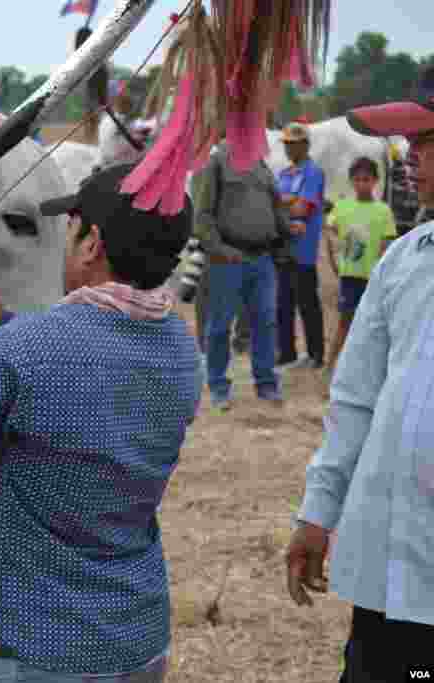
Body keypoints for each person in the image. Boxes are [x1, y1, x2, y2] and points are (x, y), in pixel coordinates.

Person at [0, 161, 202, 682]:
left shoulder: (30, 347)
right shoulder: (181, 349)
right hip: (135, 638)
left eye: (70, 232)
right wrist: (4, 324)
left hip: (29, 644)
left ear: (91, 244)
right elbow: (91, 367)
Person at [285, 69, 434, 683]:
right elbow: (354, 402)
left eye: (426, 143)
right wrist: (317, 513)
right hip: (386, 578)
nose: (409, 159)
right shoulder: (404, 260)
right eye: (410, 144)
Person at [193, 138, 292, 410]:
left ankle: (266, 384)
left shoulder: (262, 165)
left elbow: (276, 209)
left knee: (265, 322)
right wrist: (219, 249)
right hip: (228, 258)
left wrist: (288, 228)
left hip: (262, 259)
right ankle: (218, 386)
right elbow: (203, 216)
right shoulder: (218, 161)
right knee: (220, 325)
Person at [322, 157, 397, 380]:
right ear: (351, 181)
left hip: (372, 278)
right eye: (358, 179)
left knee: (372, 324)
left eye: (367, 179)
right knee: (345, 320)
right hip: (350, 276)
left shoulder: (383, 211)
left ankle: (368, 371)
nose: (362, 184)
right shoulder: (342, 207)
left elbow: (387, 245)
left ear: (375, 181)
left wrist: (382, 272)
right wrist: (334, 261)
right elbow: (331, 234)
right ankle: (330, 365)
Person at [275, 122, 326, 370]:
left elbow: (302, 209)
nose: (289, 149)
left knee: (307, 303)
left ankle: (316, 354)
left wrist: (282, 203)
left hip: (303, 250)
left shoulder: (313, 173)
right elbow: (276, 205)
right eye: (286, 144)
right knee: (282, 303)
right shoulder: (283, 174)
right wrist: (288, 203)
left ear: (305, 145)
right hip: (283, 247)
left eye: (294, 144)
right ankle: (287, 354)